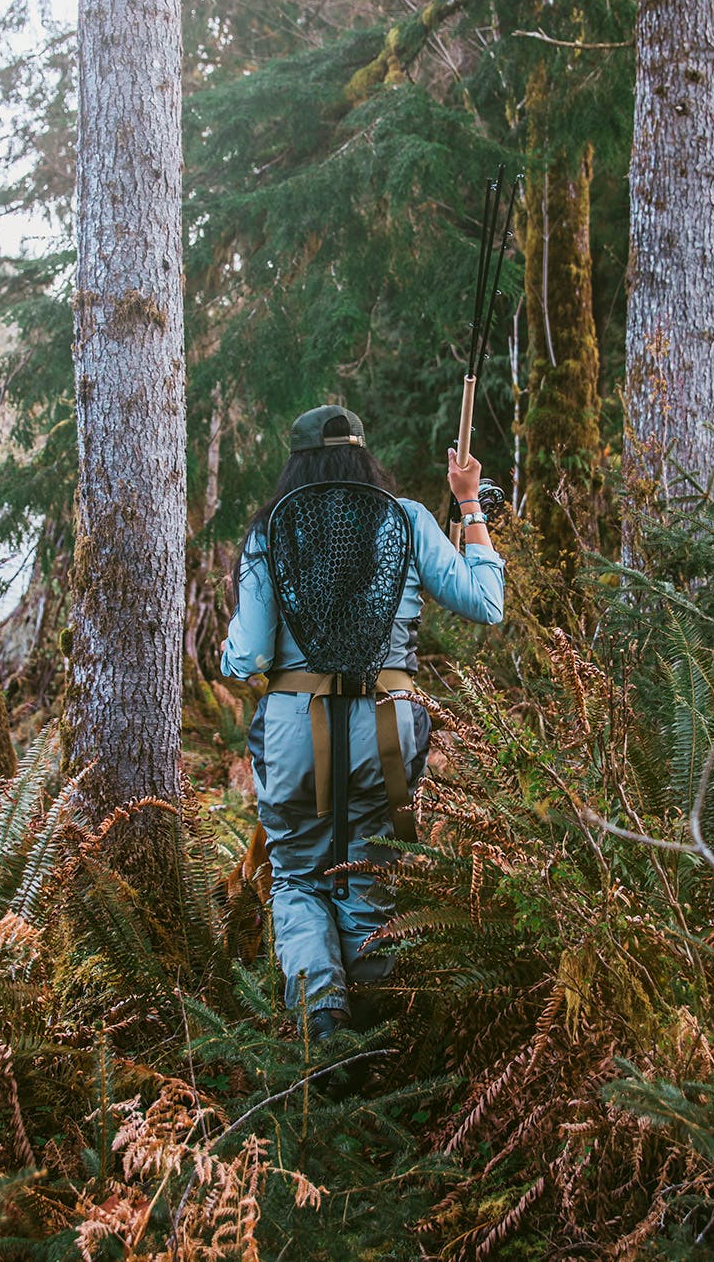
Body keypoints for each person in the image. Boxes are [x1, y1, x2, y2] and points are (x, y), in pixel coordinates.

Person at [220, 405, 504, 1040]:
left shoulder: (270, 533)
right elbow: (486, 603)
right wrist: (470, 506)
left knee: (297, 876)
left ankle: (324, 1018)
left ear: (296, 465)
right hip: (385, 724)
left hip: (296, 725)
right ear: (364, 458)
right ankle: (376, 1030)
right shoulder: (407, 520)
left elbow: (250, 655)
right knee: (369, 865)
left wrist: (230, 651)